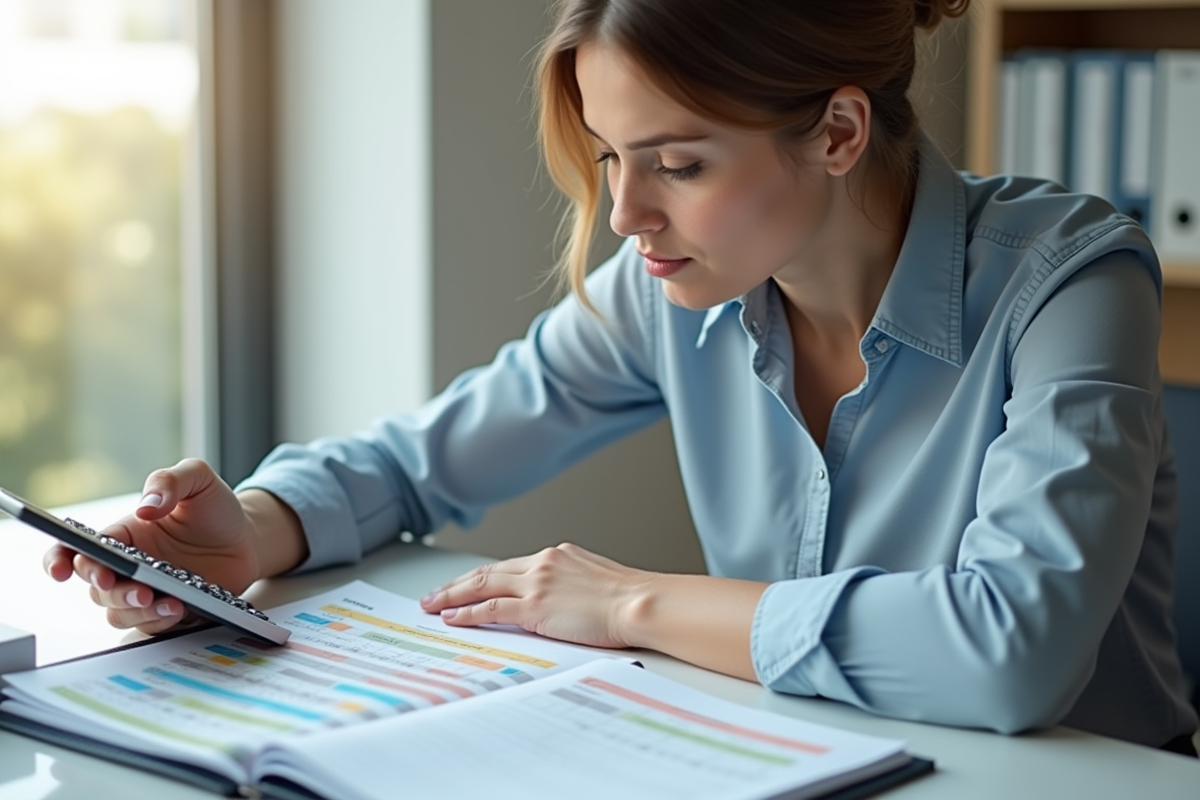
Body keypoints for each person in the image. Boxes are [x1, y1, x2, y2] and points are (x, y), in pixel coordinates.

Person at [43, 0, 1198, 753]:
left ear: (839, 132)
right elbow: (414, 462)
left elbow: (1013, 648)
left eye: (679, 164)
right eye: (610, 159)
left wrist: (625, 602)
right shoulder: (674, 287)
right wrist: (251, 527)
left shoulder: (1072, 280)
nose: (629, 215)